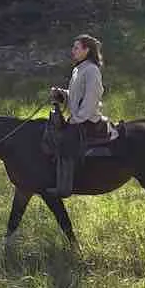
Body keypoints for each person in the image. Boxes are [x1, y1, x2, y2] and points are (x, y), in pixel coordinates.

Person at [48, 34, 107, 197]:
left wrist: (76, 120)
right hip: (78, 119)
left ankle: (64, 188)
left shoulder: (92, 71)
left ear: (87, 50)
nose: (72, 51)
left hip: (88, 120)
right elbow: (76, 96)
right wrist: (61, 94)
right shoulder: (79, 69)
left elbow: (91, 99)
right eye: (73, 47)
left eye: (76, 48)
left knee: (65, 144)